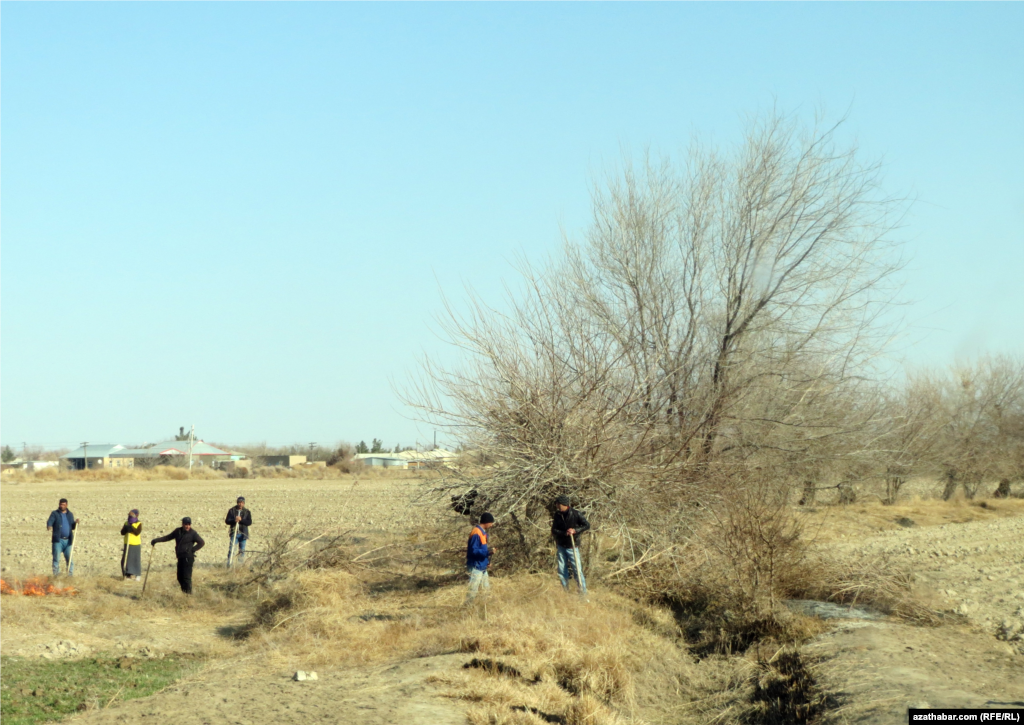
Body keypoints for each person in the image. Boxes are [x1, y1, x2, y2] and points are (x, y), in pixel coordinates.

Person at [151, 517, 205, 594]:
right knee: (179, 577)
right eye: (186, 524)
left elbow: (201, 542)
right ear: (182, 524)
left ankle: (188, 595)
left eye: (189, 524)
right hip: (180, 557)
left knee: (186, 578)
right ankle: (185, 592)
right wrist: (156, 540)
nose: (187, 526)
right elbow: (167, 537)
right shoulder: (178, 531)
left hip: (188, 558)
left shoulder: (193, 533)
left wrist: (192, 550)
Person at [551, 495, 589, 595]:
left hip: (573, 546)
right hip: (561, 546)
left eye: (558, 504)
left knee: (577, 570)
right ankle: (566, 592)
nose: (557, 506)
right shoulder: (557, 515)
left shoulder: (576, 514)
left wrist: (575, 530)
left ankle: (582, 594)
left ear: (563, 504)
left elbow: (586, 525)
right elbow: (554, 530)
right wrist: (564, 533)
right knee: (562, 570)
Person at [465, 512, 495, 603]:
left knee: (486, 590)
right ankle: (467, 609)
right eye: (491, 522)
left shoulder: (483, 533)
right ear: (487, 522)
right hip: (476, 567)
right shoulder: (476, 533)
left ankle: (485, 607)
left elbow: (481, 550)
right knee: (472, 591)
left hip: (482, 566)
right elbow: (473, 551)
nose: (492, 525)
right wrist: (488, 552)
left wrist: (487, 562)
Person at [46, 498, 79, 576]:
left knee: (70, 559)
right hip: (58, 540)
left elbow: (72, 527)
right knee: (56, 559)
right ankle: (56, 576)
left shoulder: (70, 514)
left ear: (66, 505)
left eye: (63, 504)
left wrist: (76, 523)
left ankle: (70, 576)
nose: (62, 506)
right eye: (60, 504)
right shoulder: (55, 513)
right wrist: (49, 525)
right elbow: (50, 520)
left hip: (68, 541)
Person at [225, 496, 252, 566]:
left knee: (242, 550)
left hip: (243, 534)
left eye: (242, 503)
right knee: (232, 550)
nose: (240, 504)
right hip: (234, 533)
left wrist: (241, 520)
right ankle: (229, 565)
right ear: (237, 503)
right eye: (239, 502)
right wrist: (234, 520)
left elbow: (249, 522)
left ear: (244, 503)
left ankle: (240, 566)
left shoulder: (247, 512)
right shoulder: (232, 511)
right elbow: (227, 521)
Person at [120, 509, 143, 580]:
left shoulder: (138, 523)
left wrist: (132, 528)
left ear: (136, 515)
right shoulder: (126, 523)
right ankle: (127, 574)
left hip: (135, 544)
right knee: (126, 560)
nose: (130, 516)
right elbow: (122, 532)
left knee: (135, 559)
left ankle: (137, 574)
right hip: (127, 543)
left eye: (132, 515)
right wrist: (126, 529)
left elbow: (137, 532)